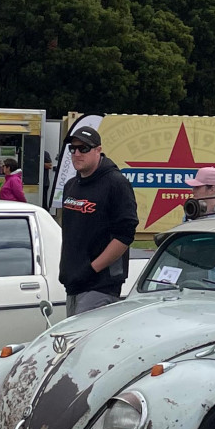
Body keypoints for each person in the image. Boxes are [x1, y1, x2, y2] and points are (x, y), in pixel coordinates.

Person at [58, 125, 139, 314]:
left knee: (85, 341)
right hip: (74, 283)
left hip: (100, 285)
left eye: (84, 148)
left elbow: (125, 235)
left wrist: (92, 269)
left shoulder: (116, 183)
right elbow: (71, 232)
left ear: (98, 150)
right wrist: (68, 270)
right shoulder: (71, 184)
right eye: (73, 149)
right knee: (73, 341)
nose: (77, 153)